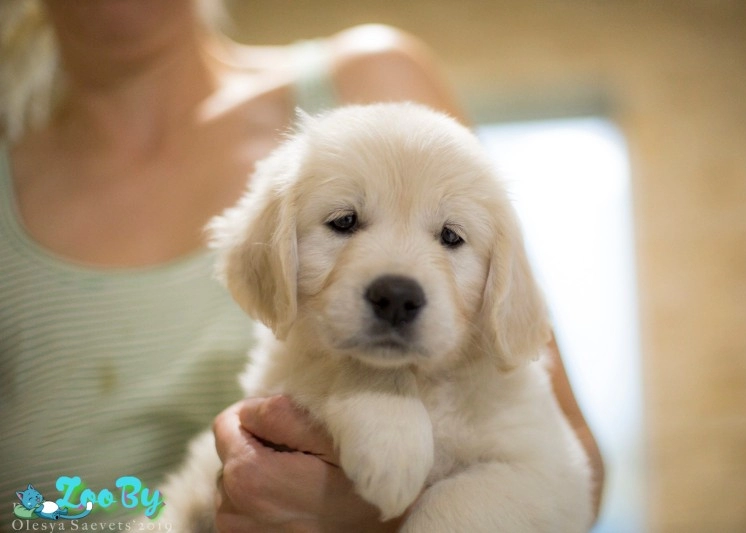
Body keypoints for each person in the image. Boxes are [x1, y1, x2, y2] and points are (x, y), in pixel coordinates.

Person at [0, 0, 603, 530]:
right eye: (344, 223)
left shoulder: (368, 81)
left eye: (450, 235)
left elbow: (574, 472)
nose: (398, 281)